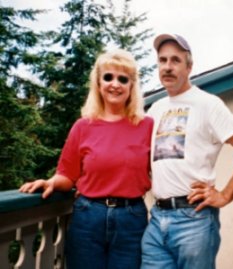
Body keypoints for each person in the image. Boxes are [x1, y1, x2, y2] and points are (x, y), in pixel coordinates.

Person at [19, 49, 153, 269]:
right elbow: (67, 175)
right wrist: (51, 182)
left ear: (132, 86)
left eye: (123, 79)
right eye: (108, 77)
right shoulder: (83, 126)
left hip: (131, 220)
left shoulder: (147, 126)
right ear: (98, 84)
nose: (115, 84)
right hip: (88, 218)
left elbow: (166, 166)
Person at [141, 33, 233, 269]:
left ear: (189, 67)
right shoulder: (155, 108)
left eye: (175, 60)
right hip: (157, 219)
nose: (167, 67)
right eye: (162, 60)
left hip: (194, 219)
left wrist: (226, 195)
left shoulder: (208, 104)